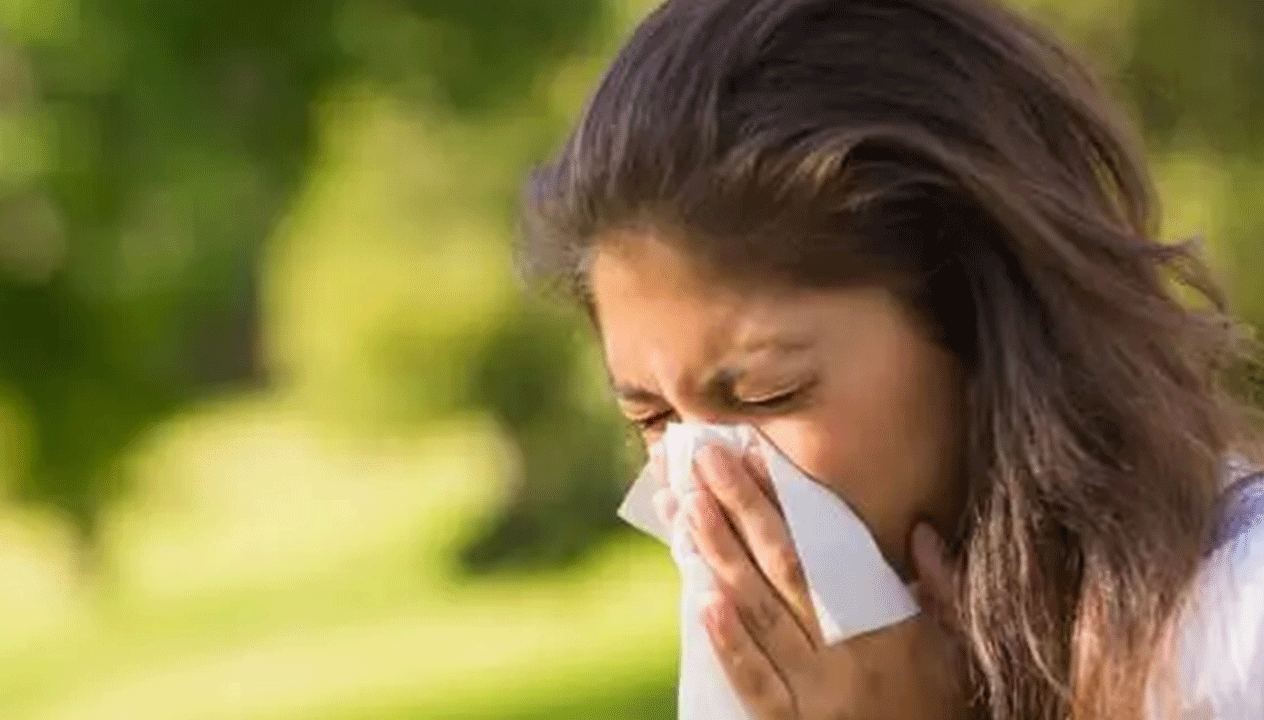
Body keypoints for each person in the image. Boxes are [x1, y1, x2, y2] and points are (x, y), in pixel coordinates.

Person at [517, 0, 1264, 718]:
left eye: (770, 394)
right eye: (653, 418)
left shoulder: (1237, 637)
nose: (705, 488)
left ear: (975, 322)